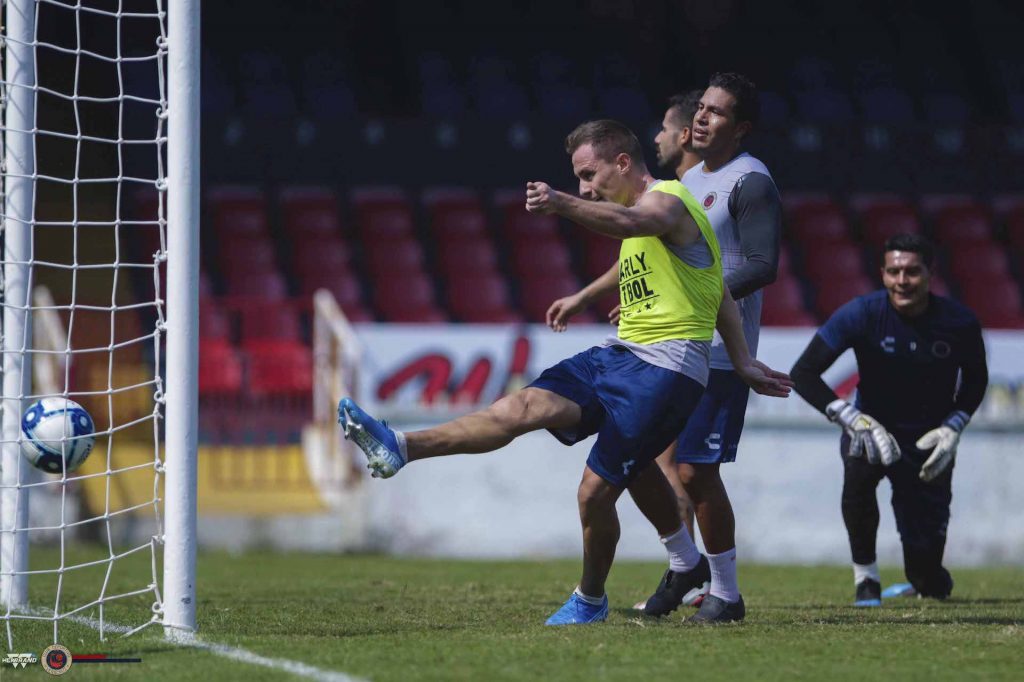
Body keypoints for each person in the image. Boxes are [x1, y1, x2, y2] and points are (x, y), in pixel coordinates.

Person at [339, 119, 792, 626]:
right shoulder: (647, 222)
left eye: (588, 174)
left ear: (623, 163)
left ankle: (591, 598)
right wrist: (583, 297)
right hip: (619, 356)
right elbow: (716, 289)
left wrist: (560, 202)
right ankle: (400, 447)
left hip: (665, 370)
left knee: (594, 492)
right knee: (522, 407)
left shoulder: (668, 200)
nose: (585, 188)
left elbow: (640, 231)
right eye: (578, 180)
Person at [548, 73, 782, 623]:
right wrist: (588, 295)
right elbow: (651, 246)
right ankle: (684, 567)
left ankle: (725, 592)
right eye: (702, 107)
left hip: (717, 347)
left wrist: (690, 297)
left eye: (717, 112)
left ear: (741, 128)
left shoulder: (752, 182)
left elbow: (761, 264)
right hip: (668, 346)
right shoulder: (686, 180)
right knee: (640, 458)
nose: (702, 117)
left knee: (696, 472)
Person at [790, 233, 988, 606]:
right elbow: (803, 374)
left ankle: (924, 577)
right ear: (882, 274)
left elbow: (976, 381)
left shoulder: (959, 322)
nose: (902, 281)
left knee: (929, 582)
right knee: (857, 486)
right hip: (871, 430)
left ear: (930, 273)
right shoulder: (861, 314)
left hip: (930, 440)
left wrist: (954, 426)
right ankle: (866, 579)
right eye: (893, 271)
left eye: (912, 271)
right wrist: (851, 418)